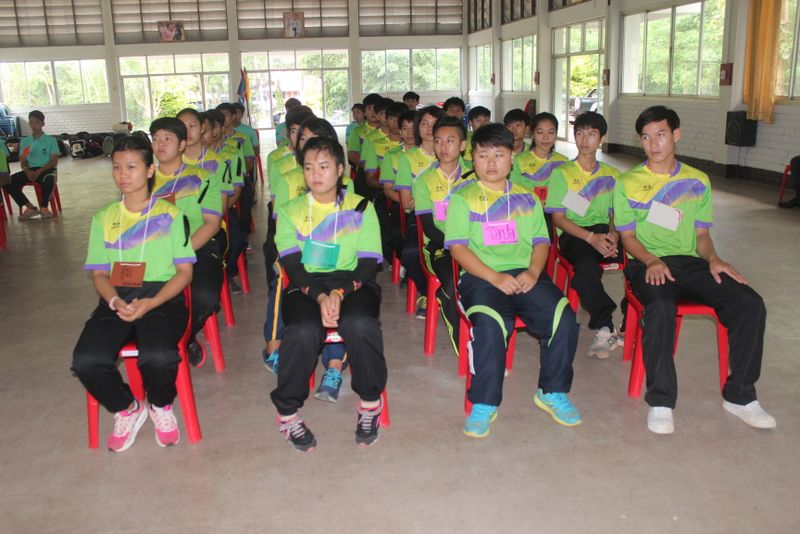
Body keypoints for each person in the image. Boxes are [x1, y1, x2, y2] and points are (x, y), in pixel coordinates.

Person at [613, 105, 776, 435]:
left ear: (676, 135)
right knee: (661, 306)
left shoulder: (698, 180)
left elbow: (701, 236)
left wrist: (714, 258)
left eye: (661, 134)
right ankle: (661, 400)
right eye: (646, 137)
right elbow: (627, 237)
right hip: (646, 263)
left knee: (750, 303)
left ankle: (740, 396)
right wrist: (651, 260)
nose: (653, 144)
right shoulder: (627, 183)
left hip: (690, 263)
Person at [445, 123, 581, 438]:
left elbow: (541, 242)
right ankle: (484, 402)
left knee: (563, 317)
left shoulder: (528, 198)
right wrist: (494, 277)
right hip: (481, 277)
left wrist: (533, 272)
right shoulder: (462, 198)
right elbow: (458, 248)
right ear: (472, 158)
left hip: (524, 274)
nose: (491, 163)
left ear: (512, 157)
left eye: (499, 154)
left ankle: (552, 391)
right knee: (491, 326)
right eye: (483, 155)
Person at [71, 135, 195, 452]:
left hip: (161, 296)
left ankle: (160, 405)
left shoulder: (171, 216)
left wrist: (151, 302)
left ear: (150, 170)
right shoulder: (103, 218)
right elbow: (99, 274)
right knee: (86, 360)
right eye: (116, 167)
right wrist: (113, 300)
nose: (122, 175)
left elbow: (184, 273)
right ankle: (128, 408)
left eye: (131, 167)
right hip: (116, 296)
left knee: (159, 356)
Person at [272, 136, 387, 452]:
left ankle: (370, 402)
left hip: (354, 282)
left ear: (340, 170)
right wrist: (321, 296)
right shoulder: (290, 211)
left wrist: (339, 291)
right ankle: (287, 412)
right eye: (308, 167)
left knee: (360, 324)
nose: (315, 174)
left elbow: (368, 263)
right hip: (306, 283)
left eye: (324, 166)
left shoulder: (361, 207)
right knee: (302, 330)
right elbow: (293, 265)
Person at [545, 111, 625, 359]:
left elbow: (615, 215)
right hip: (574, 235)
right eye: (579, 133)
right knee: (586, 268)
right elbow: (559, 219)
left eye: (591, 134)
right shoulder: (562, 174)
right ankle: (606, 326)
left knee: (640, 259)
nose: (584, 139)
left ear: (602, 138)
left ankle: (629, 321)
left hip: (603, 232)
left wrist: (614, 235)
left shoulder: (613, 175)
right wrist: (591, 239)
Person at [150, 118, 223, 367]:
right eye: (155, 139)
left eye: (167, 139)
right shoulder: (144, 181)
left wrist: (180, 253)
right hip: (155, 250)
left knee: (205, 295)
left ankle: (183, 337)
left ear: (182, 144)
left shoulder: (204, 178)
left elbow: (211, 223)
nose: (160, 144)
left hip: (197, 246)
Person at [413, 116, 474, 355]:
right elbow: (428, 227)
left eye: (450, 140)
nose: (443, 147)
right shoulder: (424, 180)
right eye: (438, 141)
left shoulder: (475, 175)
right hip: (439, 246)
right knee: (451, 280)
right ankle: (465, 347)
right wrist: (457, 246)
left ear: (462, 145)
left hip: (474, 243)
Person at [381, 109, 429, 319]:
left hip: (446, 215)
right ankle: (428, 291)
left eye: (413, 128)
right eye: (405, 128)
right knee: (402, 242)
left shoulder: (448, 155)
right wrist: (409, 201)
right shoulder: (399, 157)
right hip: (410, 209)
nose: (410, 133)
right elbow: (390, 191)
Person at [2, 110, 59, 220]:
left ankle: (44, 207)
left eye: (37, 122)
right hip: (30, 170)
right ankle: (30, 208)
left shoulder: (50, 140)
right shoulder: (26, 141)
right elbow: (23, 160)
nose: (34, 125)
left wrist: (39, 171)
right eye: (31, 122)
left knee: (49, 179)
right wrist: (27, 171)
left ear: (42, 124)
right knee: (7, 182)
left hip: (46, 169)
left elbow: (53, 161)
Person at [509, 112, 569, 197]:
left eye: (551, 132)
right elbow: (512, 192)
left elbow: (568, 193)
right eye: (540, 132)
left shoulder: (563, 161)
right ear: (532, 134)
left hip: (556, 205)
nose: (545, 137)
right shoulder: (519, 160)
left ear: (556, 134)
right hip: (527, 205)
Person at [347, 93, 382, 196]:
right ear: (365, 111)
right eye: (369, 108)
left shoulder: (389, 130)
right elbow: (353, 154)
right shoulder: (357, 131)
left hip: (386, 172)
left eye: (376, 108)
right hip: (364, 172)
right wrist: (370, 167)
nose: (373, 112)